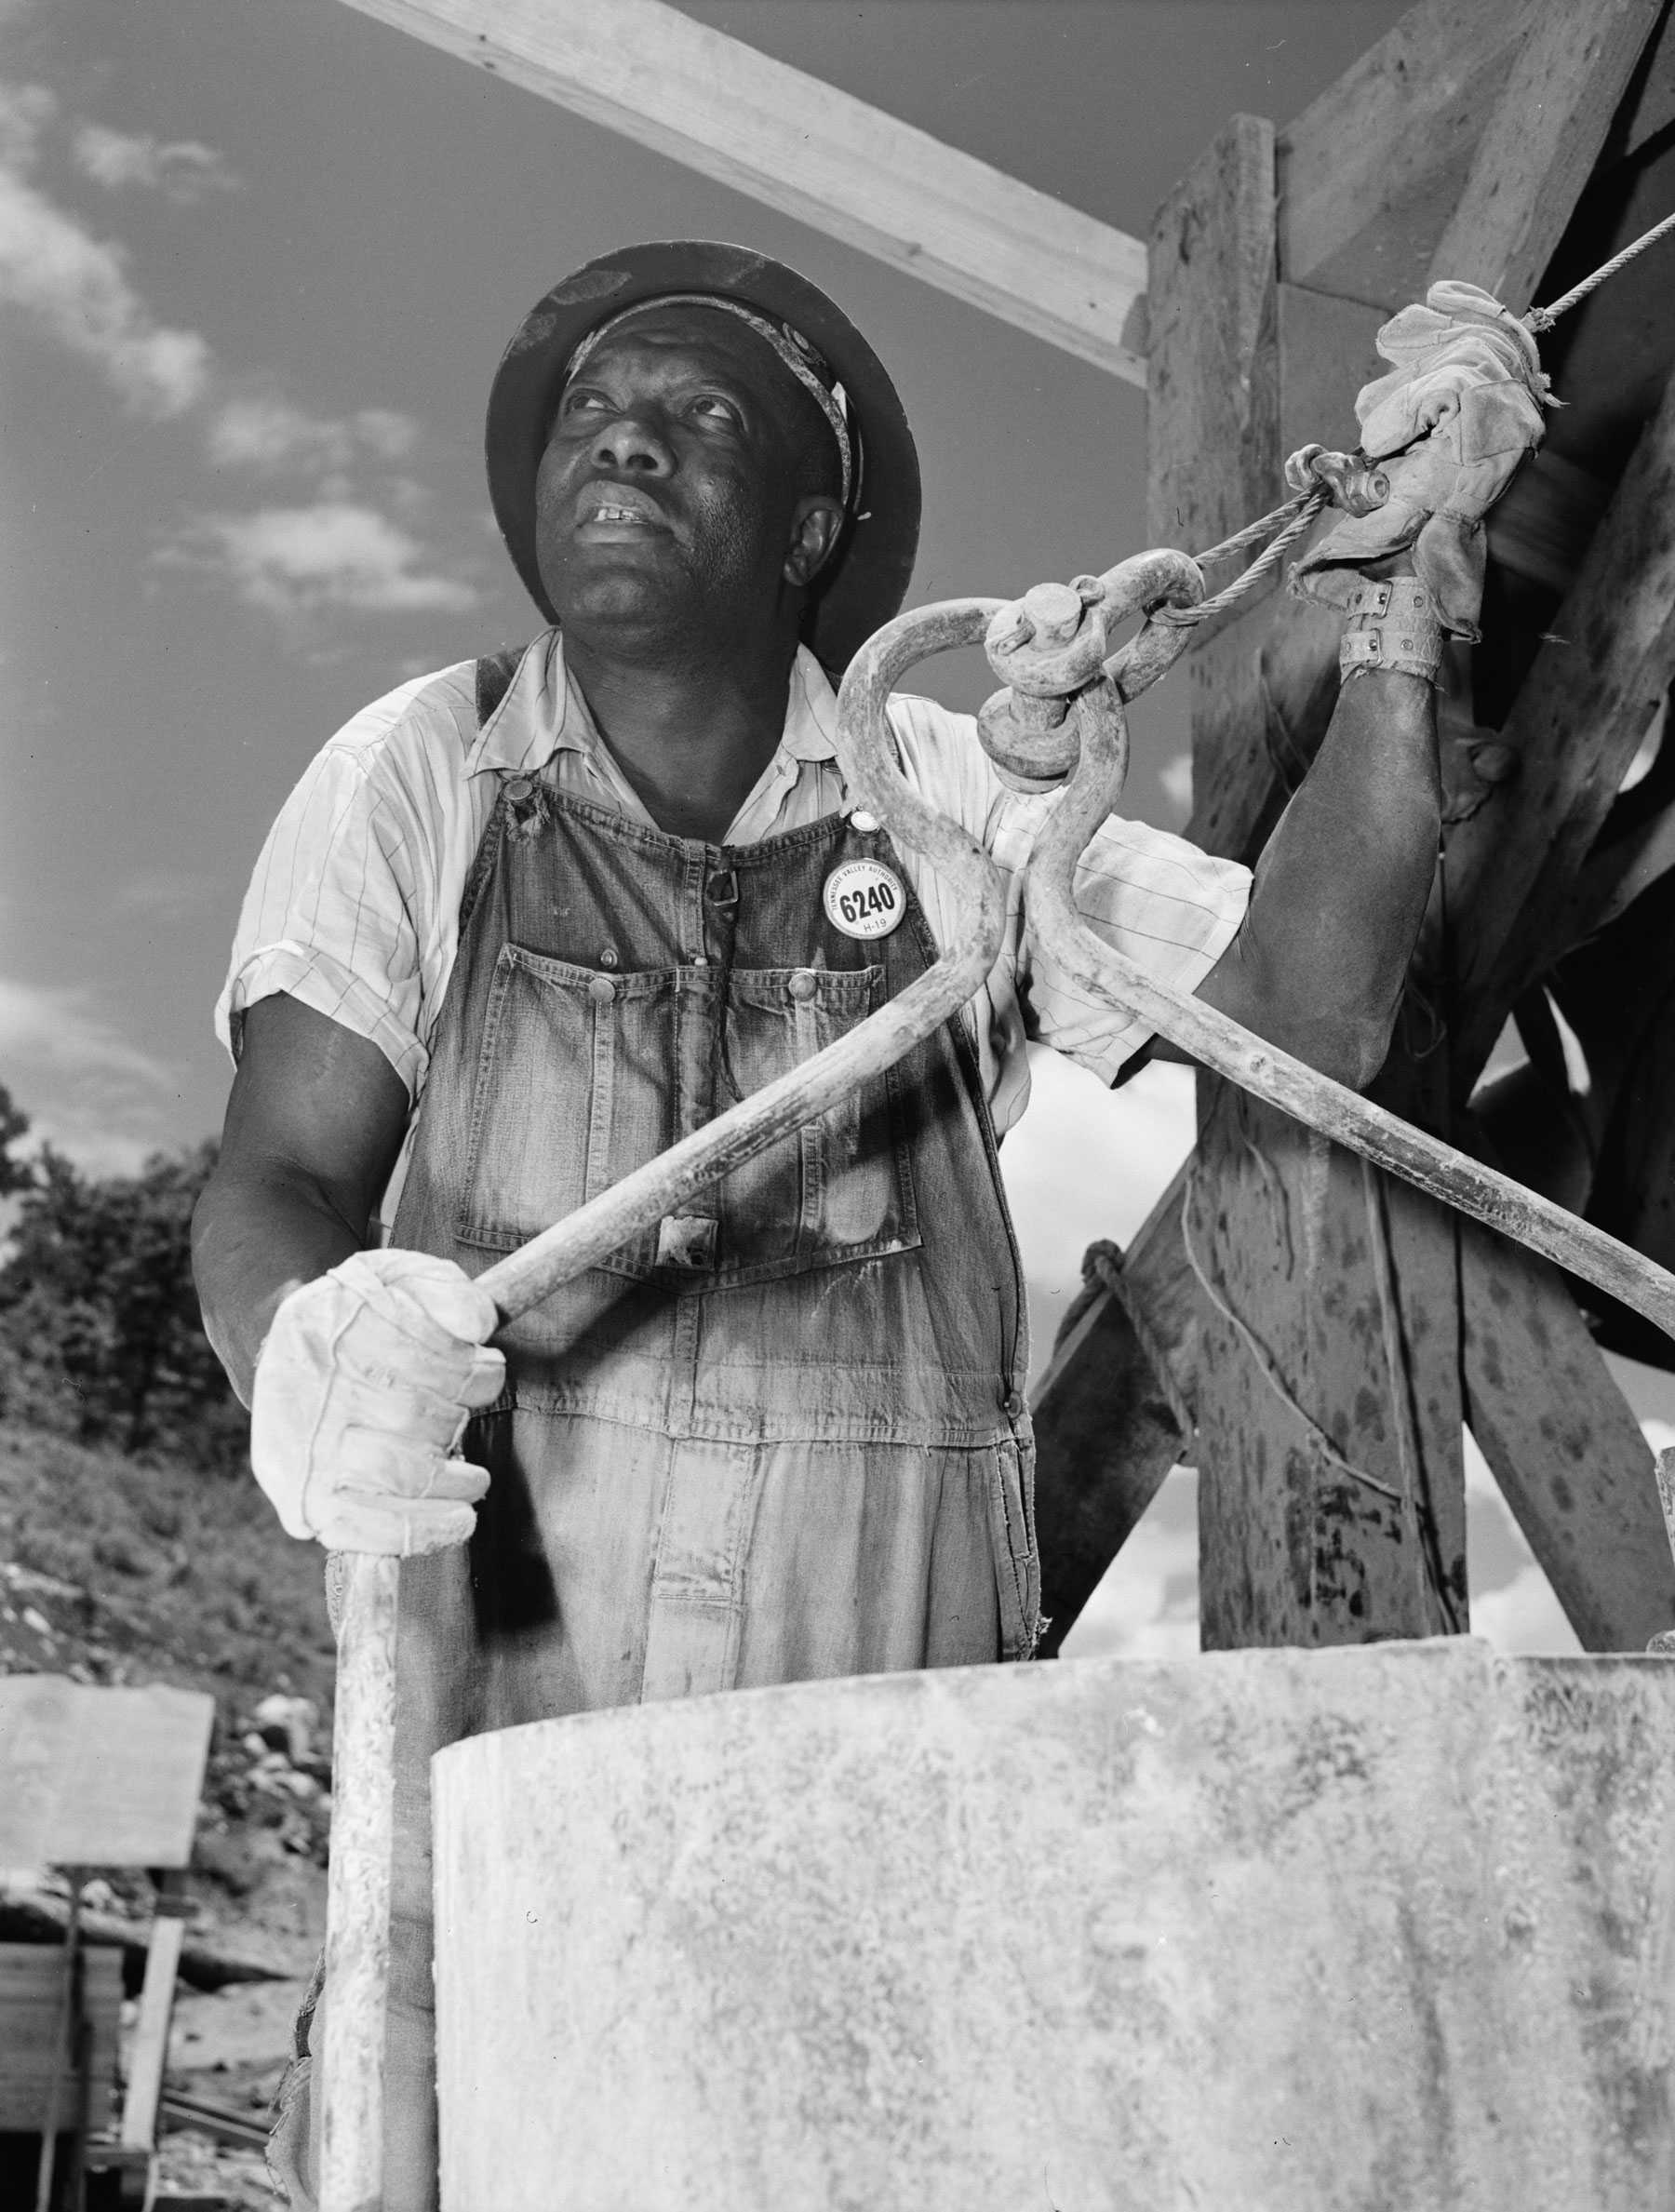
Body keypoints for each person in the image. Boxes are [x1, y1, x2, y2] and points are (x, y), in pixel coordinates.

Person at [191, 243, 1537, 2208]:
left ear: (814, 529)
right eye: (589, 411)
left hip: (890, 1805)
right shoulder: (421, 774)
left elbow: (1306, 1014)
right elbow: (281, 1177)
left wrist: (1408, 588)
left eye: (701, 414)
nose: (623, 437)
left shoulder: (961, 803)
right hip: (496, 1784)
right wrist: (303, 1350)